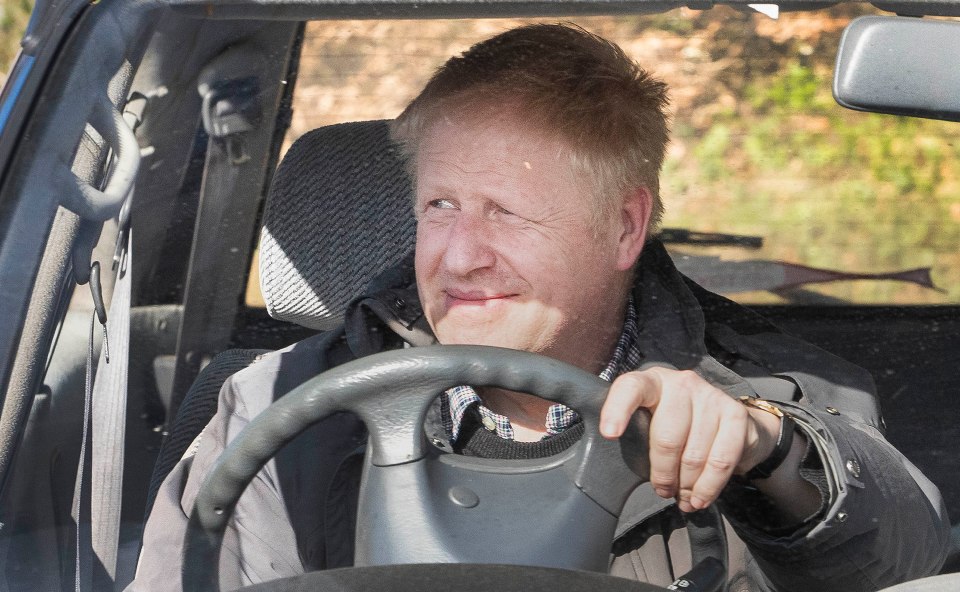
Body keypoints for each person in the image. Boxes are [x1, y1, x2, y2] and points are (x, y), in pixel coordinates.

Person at [132, 23, 950, 591]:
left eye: (505, 213)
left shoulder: (770, 396)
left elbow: (906, 563)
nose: (459, 255)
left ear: (623, 225)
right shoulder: (279, 409)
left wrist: (762, 447)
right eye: (440, 207)